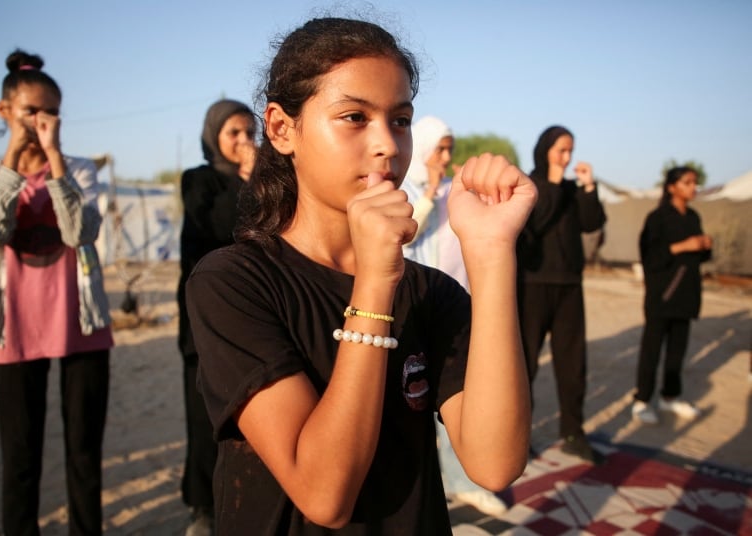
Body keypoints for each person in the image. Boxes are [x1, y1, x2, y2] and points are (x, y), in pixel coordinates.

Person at [186, 16, 536, 535]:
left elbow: (495, 464)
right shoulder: (233, 283)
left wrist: (490, 253)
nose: (388, 146)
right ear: (282, 129)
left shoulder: (429, 291)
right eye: (354, 117)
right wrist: (373, 282)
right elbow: (324, 496)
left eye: (399, 119)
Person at [0, 49, 113, 535]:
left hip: (83, 324)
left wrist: (54, 162)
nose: (41, 121)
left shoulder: (79, 170)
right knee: (21, 458)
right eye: (31, 110)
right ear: (4, 111)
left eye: (50, 111)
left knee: (83, 455)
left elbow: (79, 232)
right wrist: (13, 160)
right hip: (15, 327)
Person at [401, 115, 506, 517]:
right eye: (439, 148)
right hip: (411, 308)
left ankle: (463, 482)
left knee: (455, 399)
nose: (445, 157)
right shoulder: (401, 190)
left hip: (449, 307)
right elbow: (408, 232)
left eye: (449, 149)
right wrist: (429, 190)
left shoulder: (450, 191)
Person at [177, 98, 257, 535]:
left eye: (250, 132)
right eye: (234, 134)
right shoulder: (200, 181)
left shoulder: (268, 181)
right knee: (202, 416)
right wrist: (250, 178)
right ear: (215, 137)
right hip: (204, 315)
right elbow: (216, 234)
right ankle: (202, 507)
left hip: (251, 314)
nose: (245, 142)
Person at [516, 125, 606, 465]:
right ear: (545, 151)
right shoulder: (529, 186)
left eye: (570, 152)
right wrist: (553, 181)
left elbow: (590, 222)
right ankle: (517, 436)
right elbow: (536, 222)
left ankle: (573, 433)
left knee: (572, 364)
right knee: (524, 364)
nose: (566, 158)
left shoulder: (570, 189)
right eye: (560, 151)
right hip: (533, 286)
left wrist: (588, 187)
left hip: (569, 286)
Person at [631, 166, 712, 424]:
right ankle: (642, 400)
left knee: (678, 350)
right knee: (652, 350)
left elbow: (700, 258)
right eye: (687, 182)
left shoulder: (693, 217)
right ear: (671, 186)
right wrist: (683, 246)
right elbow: (650, 256)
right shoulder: (657, 218)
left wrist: (704, 246)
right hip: (661, 295)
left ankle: (670, 397)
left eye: (694, 183)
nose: (692, 187)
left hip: (686, 295)